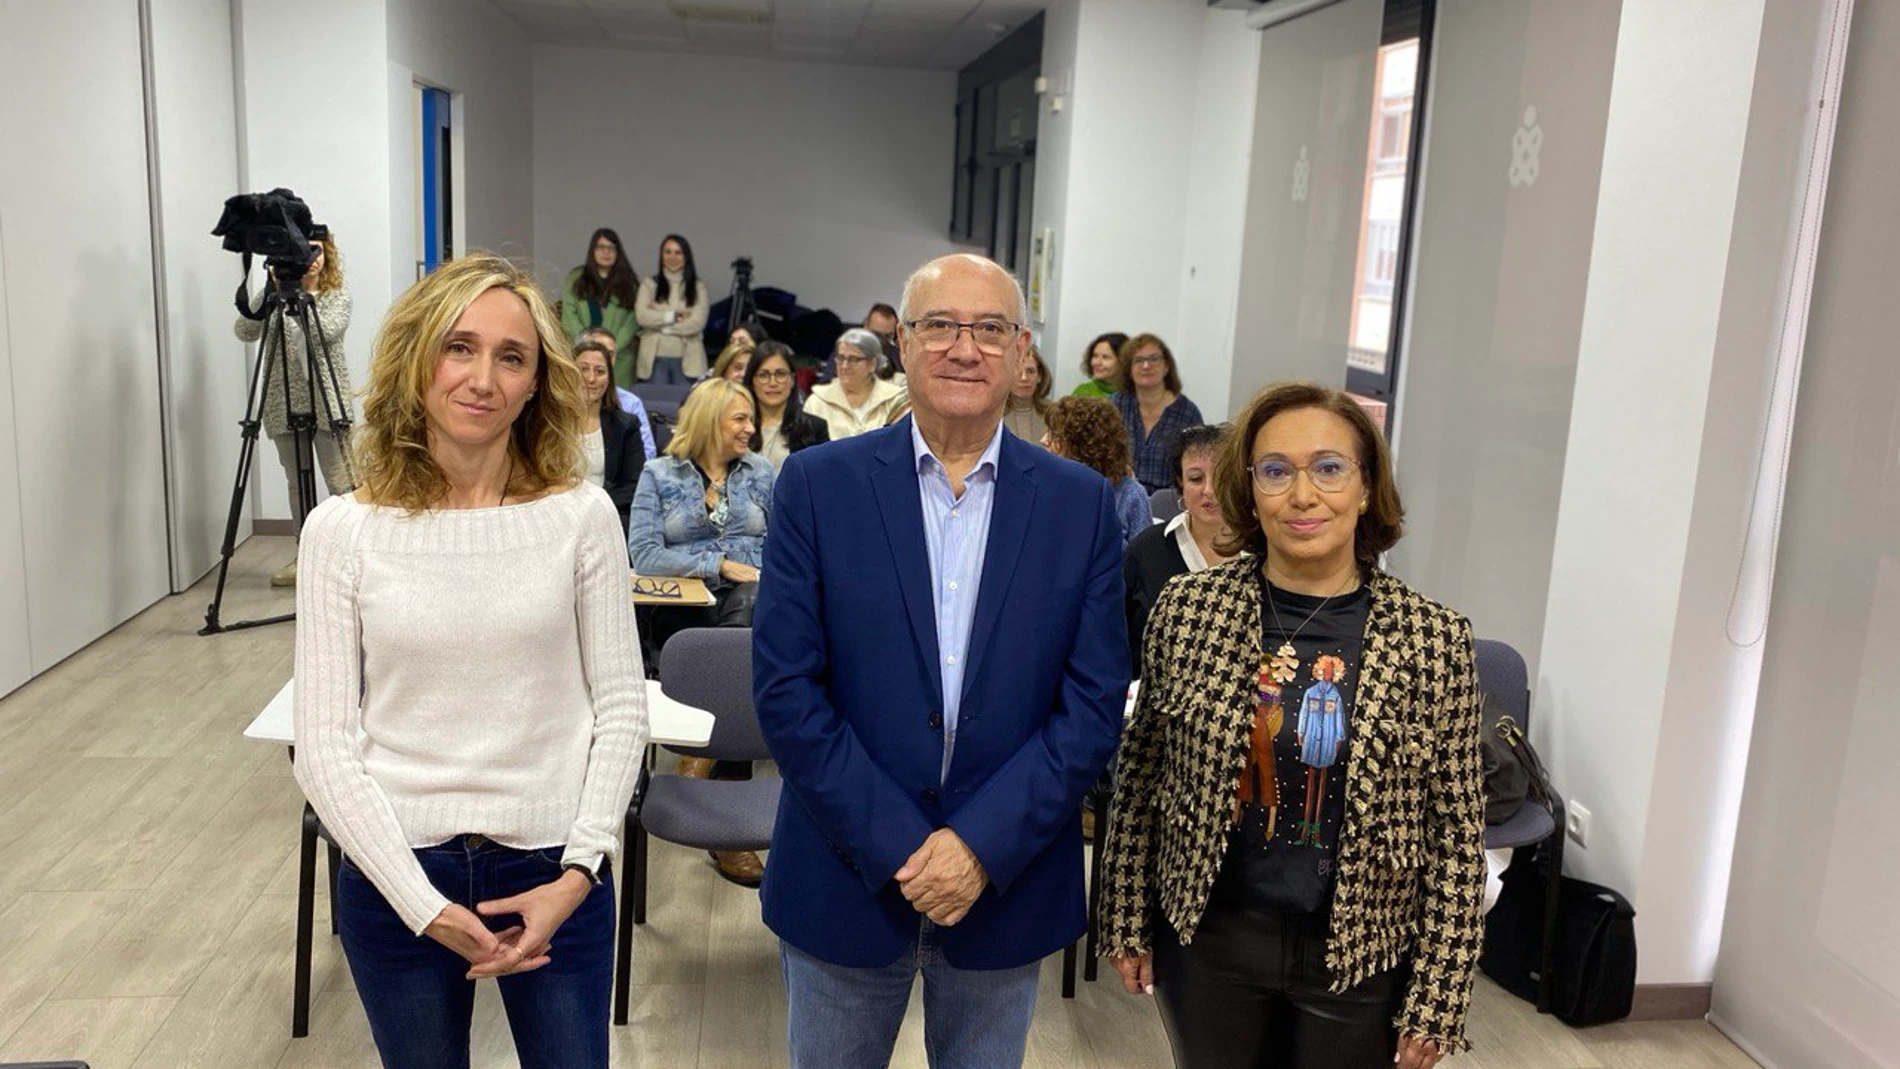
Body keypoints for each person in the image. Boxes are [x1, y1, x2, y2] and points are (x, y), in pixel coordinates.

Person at [753, 253, 1127, 1069]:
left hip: (1007, 886)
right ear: (904, 345)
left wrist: (978, 848)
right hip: (846, 878)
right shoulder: (817, 486)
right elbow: (787, 692)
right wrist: (903, 847)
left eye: (990, 328)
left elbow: (1093, 704)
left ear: (1021, 351)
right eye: (941, 326)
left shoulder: (1079, 504)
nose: (966, 348)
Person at [294, 253, 649, 1069]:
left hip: (554, 865)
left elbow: (623, 709)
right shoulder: (342, 531)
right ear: (417, 360)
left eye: (511, 356)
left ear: (536, 384)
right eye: (460, 347)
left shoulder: (581, 517)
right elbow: (323, 744)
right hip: (398, 870)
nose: (482, 377)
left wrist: (580, 870)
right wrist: (425, 907)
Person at [1098, 382, 1485, 1069]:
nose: (1303, 494)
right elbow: (1140, 775)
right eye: (1276, 470)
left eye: (1329, 468)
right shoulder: (1188, 611)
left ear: (1367, 487)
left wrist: (1440, 992)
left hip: (1362, 954)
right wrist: (1125, 913)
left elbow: (1455, 832)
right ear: (1250, 490)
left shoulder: (1433, 638)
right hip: (1211, 940)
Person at [627, 376, 774, 887]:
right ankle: (731, 830)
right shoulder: (659, 475)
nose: (750, 429)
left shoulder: (761, 471)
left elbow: (784, 544)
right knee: (745, 648)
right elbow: (643, 554)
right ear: (711, 419)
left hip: (752, 607)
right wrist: (722, 565)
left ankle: (697, 760)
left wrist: (752, 572)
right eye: (740, 418)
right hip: (683, 616)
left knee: (751, 626)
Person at [234, 227, 355, 587]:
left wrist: (301, 300)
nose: (311, 260)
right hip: (282, 399)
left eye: (317, 252)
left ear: (327, 256)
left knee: (342, 482)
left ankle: (349, 554)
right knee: (295, 481)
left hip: (326, 399)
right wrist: (271, 290)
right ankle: (306, 554)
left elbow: (324, 332)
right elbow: (244, 330)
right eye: (303, 252)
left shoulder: (336, 296)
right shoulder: (273, 295)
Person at [1122, 424, 1233, 675]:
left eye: (1222, 476)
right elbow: (1116, 639)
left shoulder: (1265, 551)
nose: (1209, 490)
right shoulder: (1146, 549)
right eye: (1196, 478)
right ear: (1180, 482)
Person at [1044, 396, 1152, 546]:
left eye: (1054, 435)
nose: (1043, 440)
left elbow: (1143, 561)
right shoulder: (1047, 487)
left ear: (1080, 446)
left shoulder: (1131, 495)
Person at [1114, 333, 1205, 494]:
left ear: (1167, 367)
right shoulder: (1116, 405)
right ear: (1128, 369)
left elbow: (1197, 468)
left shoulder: (1187, 413)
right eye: (1138, 360)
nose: (1146, 366)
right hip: (1120, 495)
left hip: (1168, 502)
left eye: (1154, 359)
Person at [574, 338, 647, 535]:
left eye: (599, 371)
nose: (591, 378)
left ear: (609, 378)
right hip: (556, 515)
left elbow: (632, 485)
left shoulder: (625, 426)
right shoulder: (549, 421)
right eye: (583, 369)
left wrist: (595, 514)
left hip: (605, 519)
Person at [561, 228, 641, 383]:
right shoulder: (576, 278)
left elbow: (633, 321)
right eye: (600, 247)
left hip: (619, 357)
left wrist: (609, 346)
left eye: (611, 248)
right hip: (582, 352)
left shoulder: (629, 282)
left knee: (617, 402)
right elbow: (569, 315)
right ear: (593, 250)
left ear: (618, 252)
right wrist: (586, 344)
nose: (606, 252)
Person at [803, 328, 909, 440]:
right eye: (840, 358)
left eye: (853, 359)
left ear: (872, 364)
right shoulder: (816, 402)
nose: (844, 366)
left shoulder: (895, 399)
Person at [635, 234, 709, 385]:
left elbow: (697, 323)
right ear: (661, 255)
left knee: (687, 406)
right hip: (653, 360)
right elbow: (642, 317)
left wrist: (662, 326)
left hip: (689, 362)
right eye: (667, 252)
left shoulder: (698, 287)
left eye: (678, 252)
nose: (672, 257)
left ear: (686, 256)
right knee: (656, 406)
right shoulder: (649, 284)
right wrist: (673, 316)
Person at [745, 341, 829, 471]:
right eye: (763, 375)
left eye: (780, 374)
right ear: (752, 382)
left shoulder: (815, 429)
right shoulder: (737, 428)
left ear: (792, 380)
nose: (773, 383)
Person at [576, 326, 656, 459]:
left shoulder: (631, 404)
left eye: (610, 353)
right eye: (596, 349)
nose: (602, 357)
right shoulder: (556, 407)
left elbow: (647, 454)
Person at [1003, 345, 1052, 444]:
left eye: (1030, 371)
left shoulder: (1054, 413)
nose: (1024, 378)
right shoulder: (992, 414)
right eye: (1018, 371)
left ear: (1039, 376)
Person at [1071, 331, 1128, 399]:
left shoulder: (1137, 393)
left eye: (1105, 357)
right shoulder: (1083, 393)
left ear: (1123, 361)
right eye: (1095, 356)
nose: (1097, 363)